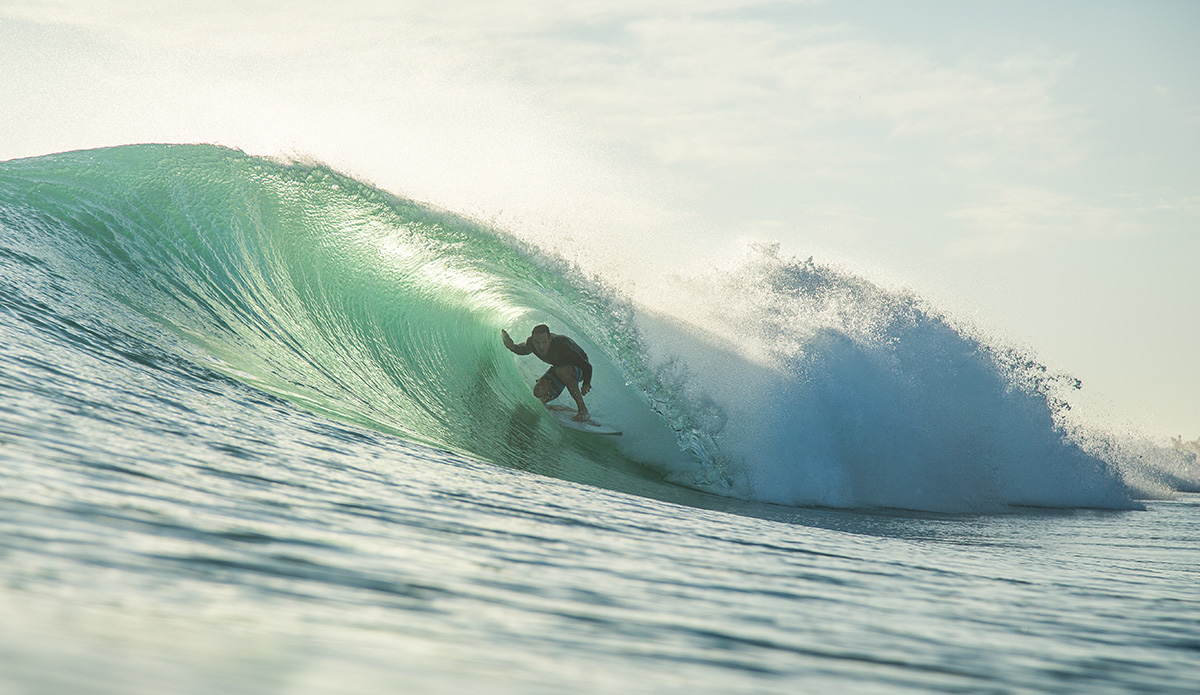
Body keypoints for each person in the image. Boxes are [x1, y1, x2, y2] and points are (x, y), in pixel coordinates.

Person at [502, 324, 593, 421]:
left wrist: (586, 383)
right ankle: (555, 407)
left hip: (580, 367)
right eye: (537, 342)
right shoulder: (531, 343)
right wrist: (512, 347)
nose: (541, 347)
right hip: (559, 367)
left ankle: (583, 411)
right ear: (533, 341)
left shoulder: (561, 344)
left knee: (563, 371)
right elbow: (523, 349)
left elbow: (587, 366)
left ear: (550, 339)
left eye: (544, 342)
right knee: (539, 391)